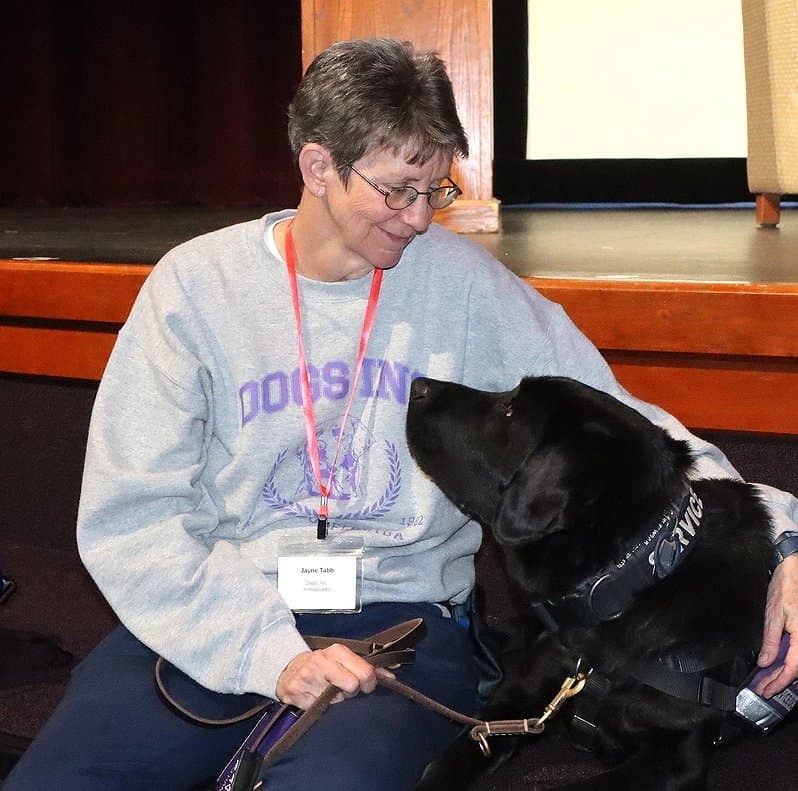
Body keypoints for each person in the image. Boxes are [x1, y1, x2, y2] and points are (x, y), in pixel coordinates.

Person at [6, 37, 798, 791]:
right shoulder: (194, 289)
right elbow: (132, 519)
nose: (420, 218)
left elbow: (629, 432)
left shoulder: (465, 287)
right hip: (215, 607)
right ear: (319, 166)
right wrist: (266, 651)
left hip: (400, 625)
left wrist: (786, 535)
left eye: (436, 190)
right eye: (397, 190)